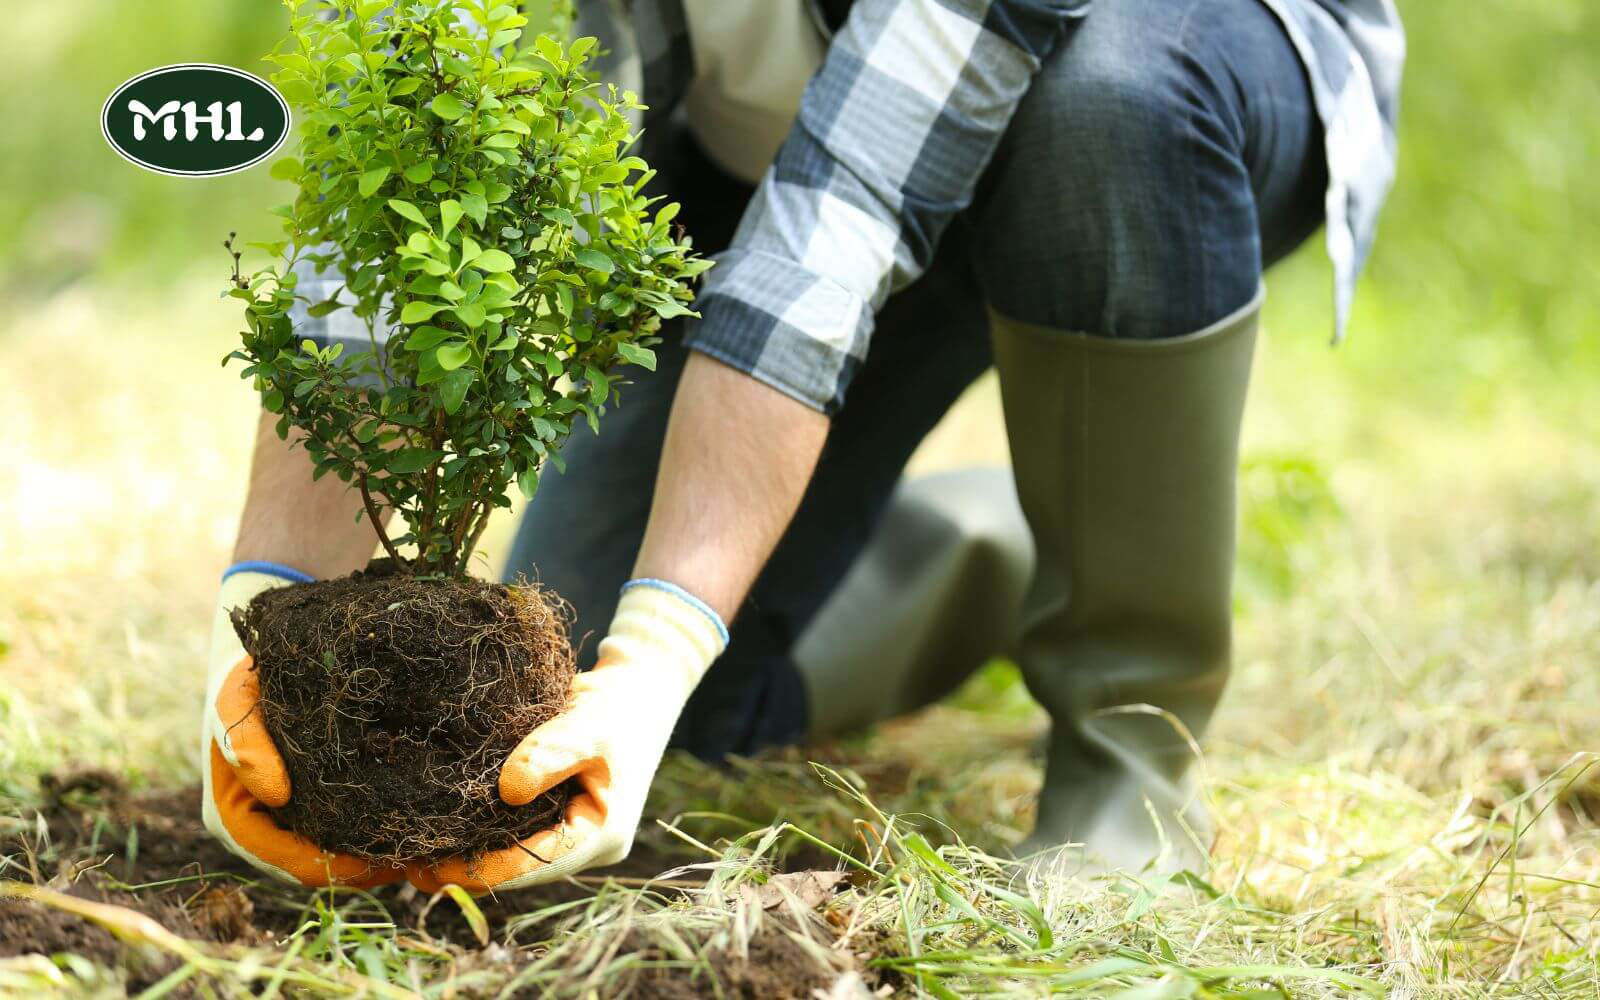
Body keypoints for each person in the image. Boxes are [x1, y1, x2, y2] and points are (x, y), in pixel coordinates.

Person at [202, 0, 1404, 889]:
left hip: (1158, 80)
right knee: (584, 719)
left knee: (1109, 101)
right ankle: (986, 544)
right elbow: (445, 131)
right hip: (754, 141)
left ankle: (1126, 749)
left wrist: (664, 639)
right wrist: (265, 613)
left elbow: (844, 214)